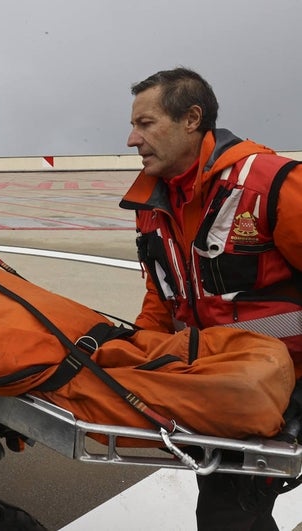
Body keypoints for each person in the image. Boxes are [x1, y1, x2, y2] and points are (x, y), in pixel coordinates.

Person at [120, 67, 302, 530]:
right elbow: (161, 300)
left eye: (145, 124)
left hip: (290, 380)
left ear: (191, 119)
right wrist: (135, 358)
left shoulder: (270, 183)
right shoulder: (152, 206)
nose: (131, 139)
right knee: (229, 515)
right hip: (225, 387)